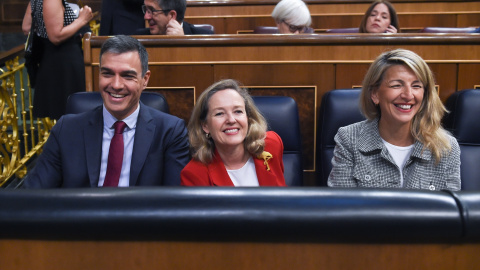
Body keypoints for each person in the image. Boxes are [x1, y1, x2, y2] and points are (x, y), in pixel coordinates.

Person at [23, 35, 190, 188]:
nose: (116, 85)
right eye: (107, 73)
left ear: (144, 80)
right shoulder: (66, 130)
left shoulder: (170, 132)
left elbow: (173, 203)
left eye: (127, 76)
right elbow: (33, 197)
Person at [328, 49, 460, 191]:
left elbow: (450, 211)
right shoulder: (349, 139)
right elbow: (344, 208)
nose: (408, 95)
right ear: (375, 94)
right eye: (396, 85)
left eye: (416, 86)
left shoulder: (446, 147)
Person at [181, 79, 286, 186]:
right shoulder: (194, 175)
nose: (231, 120)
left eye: (238, 111)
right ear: (205, 126)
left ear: (248, 118)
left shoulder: (271, 145)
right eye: (220, 113)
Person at [22, 0, 93, 120]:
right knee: (73, 114)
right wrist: (82, 20)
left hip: (51, 59)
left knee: (65, 116)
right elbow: (56, 36)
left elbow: (26, 27)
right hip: (65, 63)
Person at [136, 0, 214, 35]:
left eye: (152, 11)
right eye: (146, 10)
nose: (146, 17)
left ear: (172, 15)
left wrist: (181, 43)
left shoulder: (203, 36)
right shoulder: (139, 38)